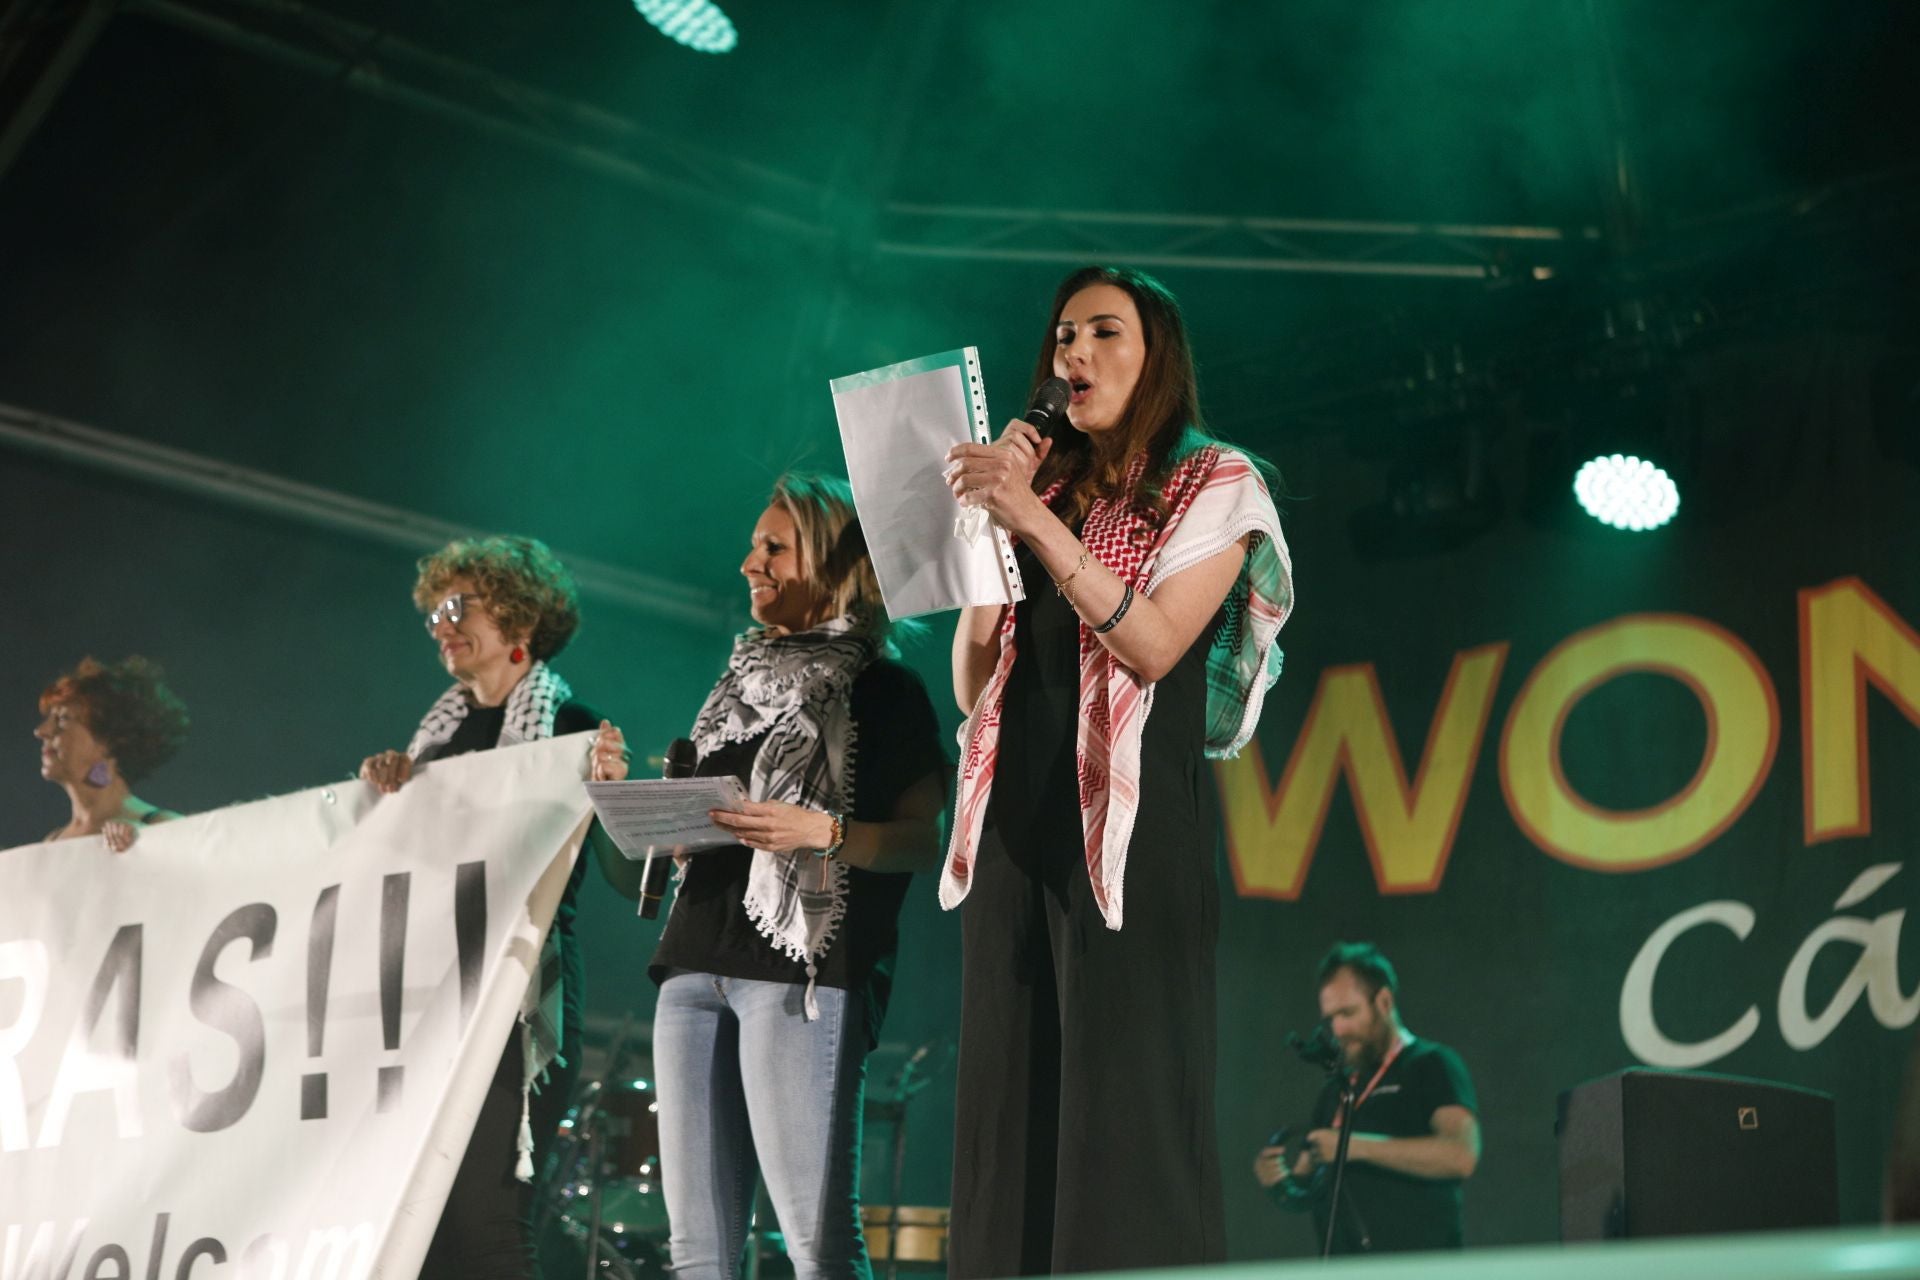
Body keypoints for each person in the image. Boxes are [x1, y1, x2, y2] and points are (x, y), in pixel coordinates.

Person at [940, 264, 1294, 1276]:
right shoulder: (1040, 494)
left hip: (1131, 845)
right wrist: (988, 540)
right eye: (1062, 338)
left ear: (1157, 359)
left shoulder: (1215, 480)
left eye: (1104, 334)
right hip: (1014, 829)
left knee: (1122, 1117)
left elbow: (1153, 644)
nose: (1076, 355)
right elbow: (974, 690)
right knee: (1008, 1117)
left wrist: (1037, 527)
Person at [628, 472, 947, 1280]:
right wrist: (660, 820)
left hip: (799, 974)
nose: (749, 562)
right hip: (694, 961)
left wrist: (825, 832)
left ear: (836, 564)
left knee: (816, 1243)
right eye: (753, 545)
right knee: (696, 1253)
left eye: (774, 546)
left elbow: (925, 840)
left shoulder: (887, 691)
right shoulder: (735, 688)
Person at [358, 534, 630, 1280]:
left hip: (516, 996)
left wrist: (610, 794)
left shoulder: (572, 726)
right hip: (428, 1003)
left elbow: (621, 876)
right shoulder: (433, 743)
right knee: (424, 1233)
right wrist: (389, 791)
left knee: (489, 1223)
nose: (440, 623)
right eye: (435, 610)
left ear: (517, 618)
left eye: (459, 607)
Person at [1253, 942, 1480, 1254]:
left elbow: (1460, 1155)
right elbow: (1310, 1186)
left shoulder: (1432, 1064)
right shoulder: (1336, 1090)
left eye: (1347, 1013)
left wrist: (1352, 1146)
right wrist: (1281, 1182)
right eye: (1330, 1018)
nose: (1338, 1029)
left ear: (1384, 1001)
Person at [35, 656, 189, 851]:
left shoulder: (163, 826)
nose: (41, 731)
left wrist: (147, 849)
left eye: (63, 719)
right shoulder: (52, 842)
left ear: (109, 739)